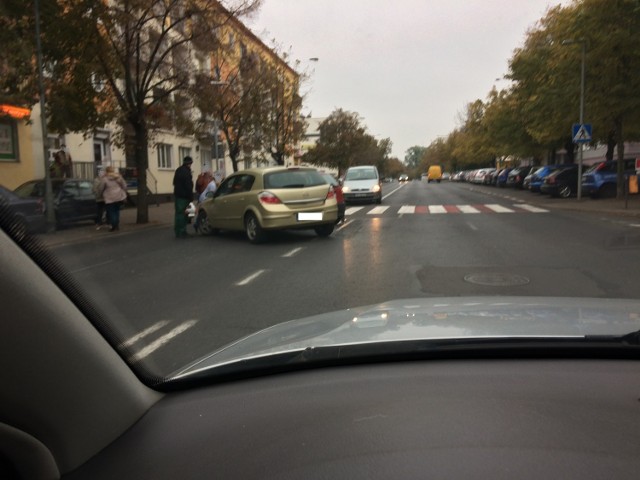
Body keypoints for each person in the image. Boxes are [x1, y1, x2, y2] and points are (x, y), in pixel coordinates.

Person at [98, 166, 127, 232]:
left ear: (106, 171)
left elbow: (101, 188)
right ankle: (116, 225)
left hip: (109, 198)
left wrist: (100, 194)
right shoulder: (119, 177)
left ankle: (114, 225)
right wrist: (123, 191)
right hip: (118, 196)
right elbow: (124, 185)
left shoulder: (104, 179)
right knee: (116, 211)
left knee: (111, 212)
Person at [173, 156, 194, 238]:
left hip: (177, 195)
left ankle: (177, 231)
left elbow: (174, 182)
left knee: (178, 214)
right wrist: (190, 197)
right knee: (184, 214)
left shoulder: (178, 170)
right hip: (184, 196)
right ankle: (182, 231)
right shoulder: (187, 172)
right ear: (189, 163)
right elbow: (188, 185)